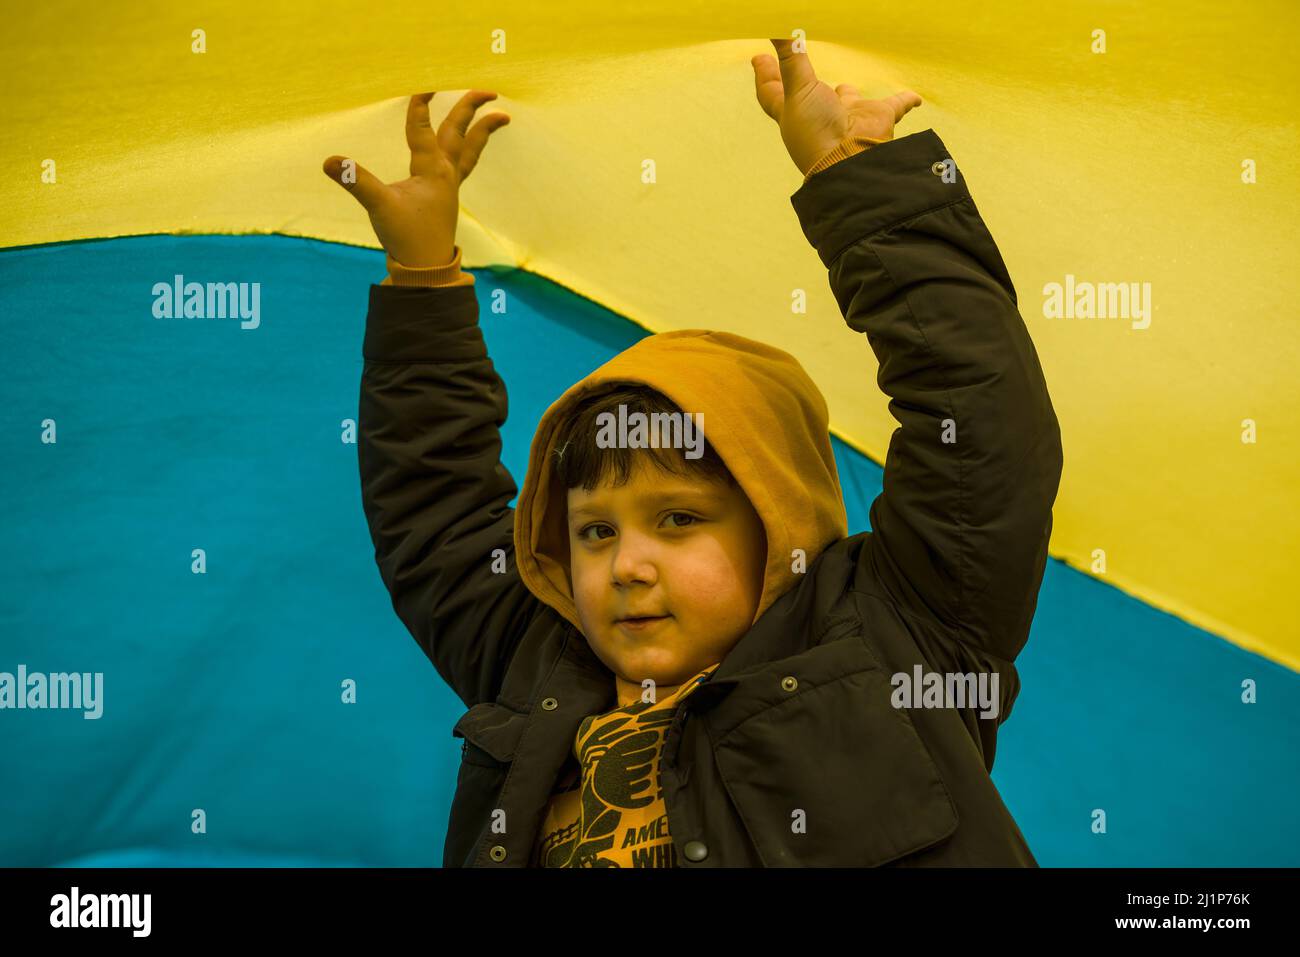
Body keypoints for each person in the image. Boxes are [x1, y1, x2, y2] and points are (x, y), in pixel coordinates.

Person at [323, 38, 1063, 867]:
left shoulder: (897, 634)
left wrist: (856, 179)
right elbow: (434, 512)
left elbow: (981, 418)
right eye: (595, 531)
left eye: (676, 519)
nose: (626, 566)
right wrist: (422, 273)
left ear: (778, 525)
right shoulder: (535, 659)